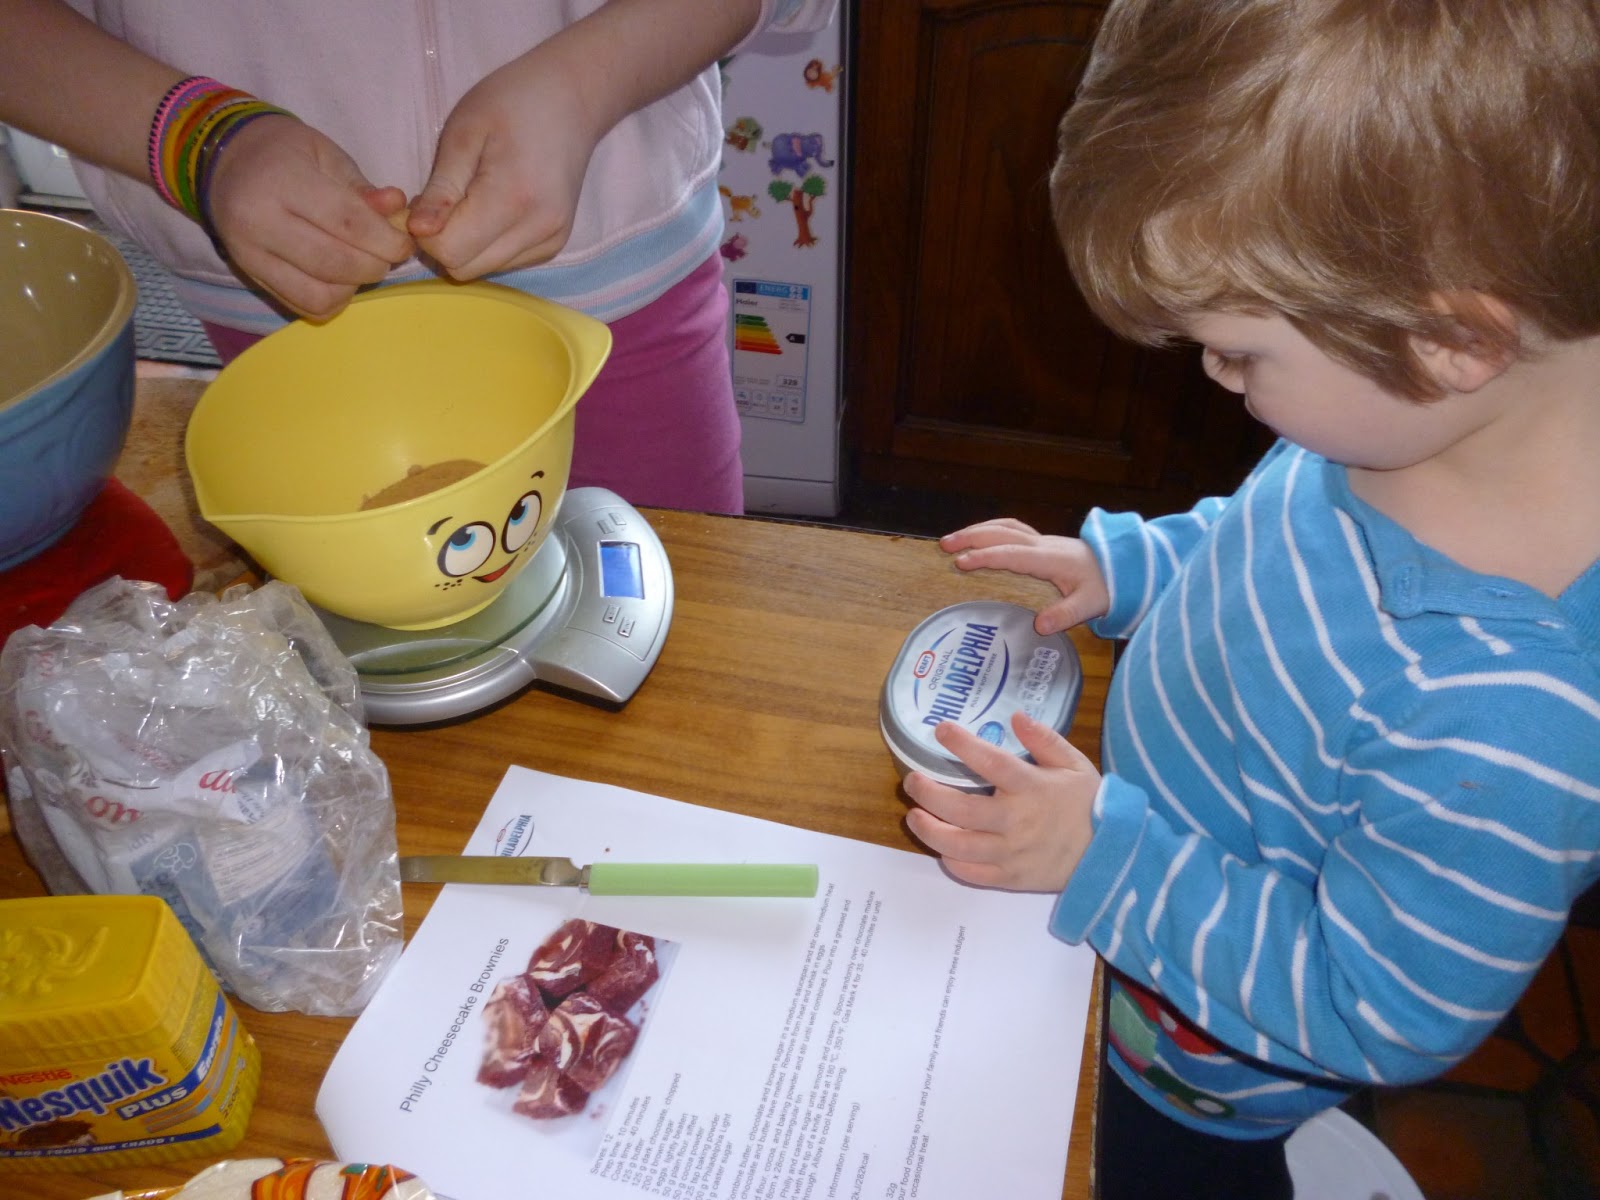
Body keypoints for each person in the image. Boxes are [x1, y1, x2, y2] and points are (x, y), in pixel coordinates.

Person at [899, 1, 1600, 1197]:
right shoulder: (1401, 420)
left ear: (1450, 342)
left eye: (1234, 352)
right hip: (1118, 865)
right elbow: (1267, 545)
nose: (1216, 378)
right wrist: (1134, 570)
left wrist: (1103, 857)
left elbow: (1372, 1007)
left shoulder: (1511, 720)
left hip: (1196, 1056)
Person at [0, 0, 838, 513]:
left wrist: (589, 80)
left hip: (631, 308)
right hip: (290, 314)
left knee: (681, 631)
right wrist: (200, 137)